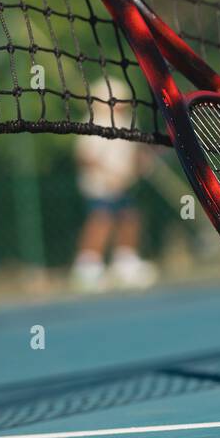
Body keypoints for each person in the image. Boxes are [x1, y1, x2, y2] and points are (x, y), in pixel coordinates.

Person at [71, 79, 157, 290]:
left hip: (124, 184)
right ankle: (88, 268)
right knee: (101, 221)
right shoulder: (93, 122)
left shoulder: (128, 122)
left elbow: (135, 152)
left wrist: (141, 162)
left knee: (130, 217)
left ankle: (125, 263)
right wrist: (108, 175)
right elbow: (84, 156)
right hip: (100, 186)